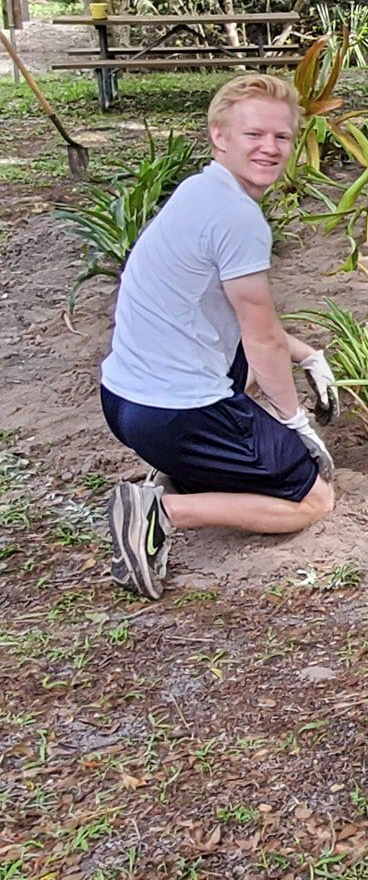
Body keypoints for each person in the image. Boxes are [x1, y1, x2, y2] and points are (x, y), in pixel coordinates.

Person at [99, 72, 337, 599]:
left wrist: (308, 355)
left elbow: (243, 321)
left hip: (123, 399)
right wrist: (295, 422)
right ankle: (160, 510)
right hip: (175, 412)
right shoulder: (237, 217)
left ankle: (179, 473)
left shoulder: (201, 190)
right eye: (254, 134)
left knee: (248, 372)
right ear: (220, 136)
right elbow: (261, 340)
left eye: (282, 137)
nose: (270, 148)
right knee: (314, 499)